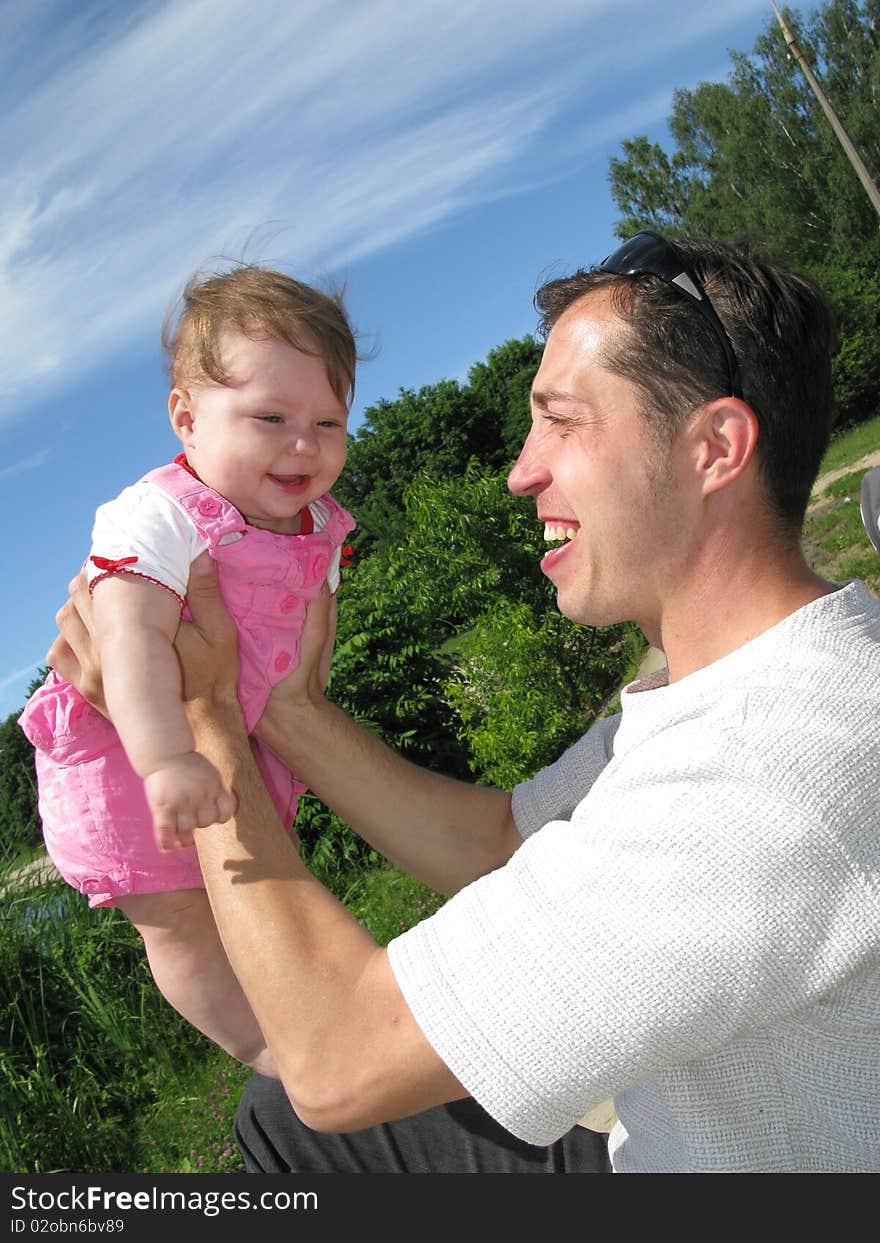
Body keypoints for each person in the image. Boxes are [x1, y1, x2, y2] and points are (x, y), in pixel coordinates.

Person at [51, 233, 880, 1174]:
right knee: (273, 1116)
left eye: (561, 421)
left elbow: (339, 1064)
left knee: (300, 1116)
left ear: (715, 448)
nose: (521, 470)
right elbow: (501, 845)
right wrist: (280, 708)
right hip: (672, 1132)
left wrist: (205, 721)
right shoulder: (742, 688)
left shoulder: (776, 762)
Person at [21, 264, 356, 1072]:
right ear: (188, 419)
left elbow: (312, 636)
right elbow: (126, 633)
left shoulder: (319, 526)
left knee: (255, 888)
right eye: (270, 416)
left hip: (235, 741)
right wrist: (166, 754)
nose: (303, 444)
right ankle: (257, 1044)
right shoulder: (161, 512)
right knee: (175, 916)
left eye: (329, 421)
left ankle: (318, 1023)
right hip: (129, 757)